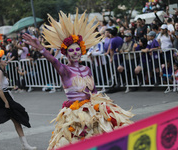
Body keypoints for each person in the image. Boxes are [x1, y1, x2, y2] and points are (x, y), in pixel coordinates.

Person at [23, 9, 134, 150]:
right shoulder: (65, 70)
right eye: (71, 50)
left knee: (105, 138)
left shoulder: (87, 69)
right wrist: (41, 50)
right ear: (66, 53)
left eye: (77, 50)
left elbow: (94, 90)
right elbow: (53, 61)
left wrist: (103, 106)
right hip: (75, 114)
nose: (75, 53)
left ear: (81, 50)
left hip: (94, 111)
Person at [0, 50, 37, 150]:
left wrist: (9, 99)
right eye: (4, 59)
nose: (6, 60)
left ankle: (25, 145)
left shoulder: (1, 70)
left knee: (17, 120)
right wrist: (6, 102)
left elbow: (3, 89)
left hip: (5, 96)